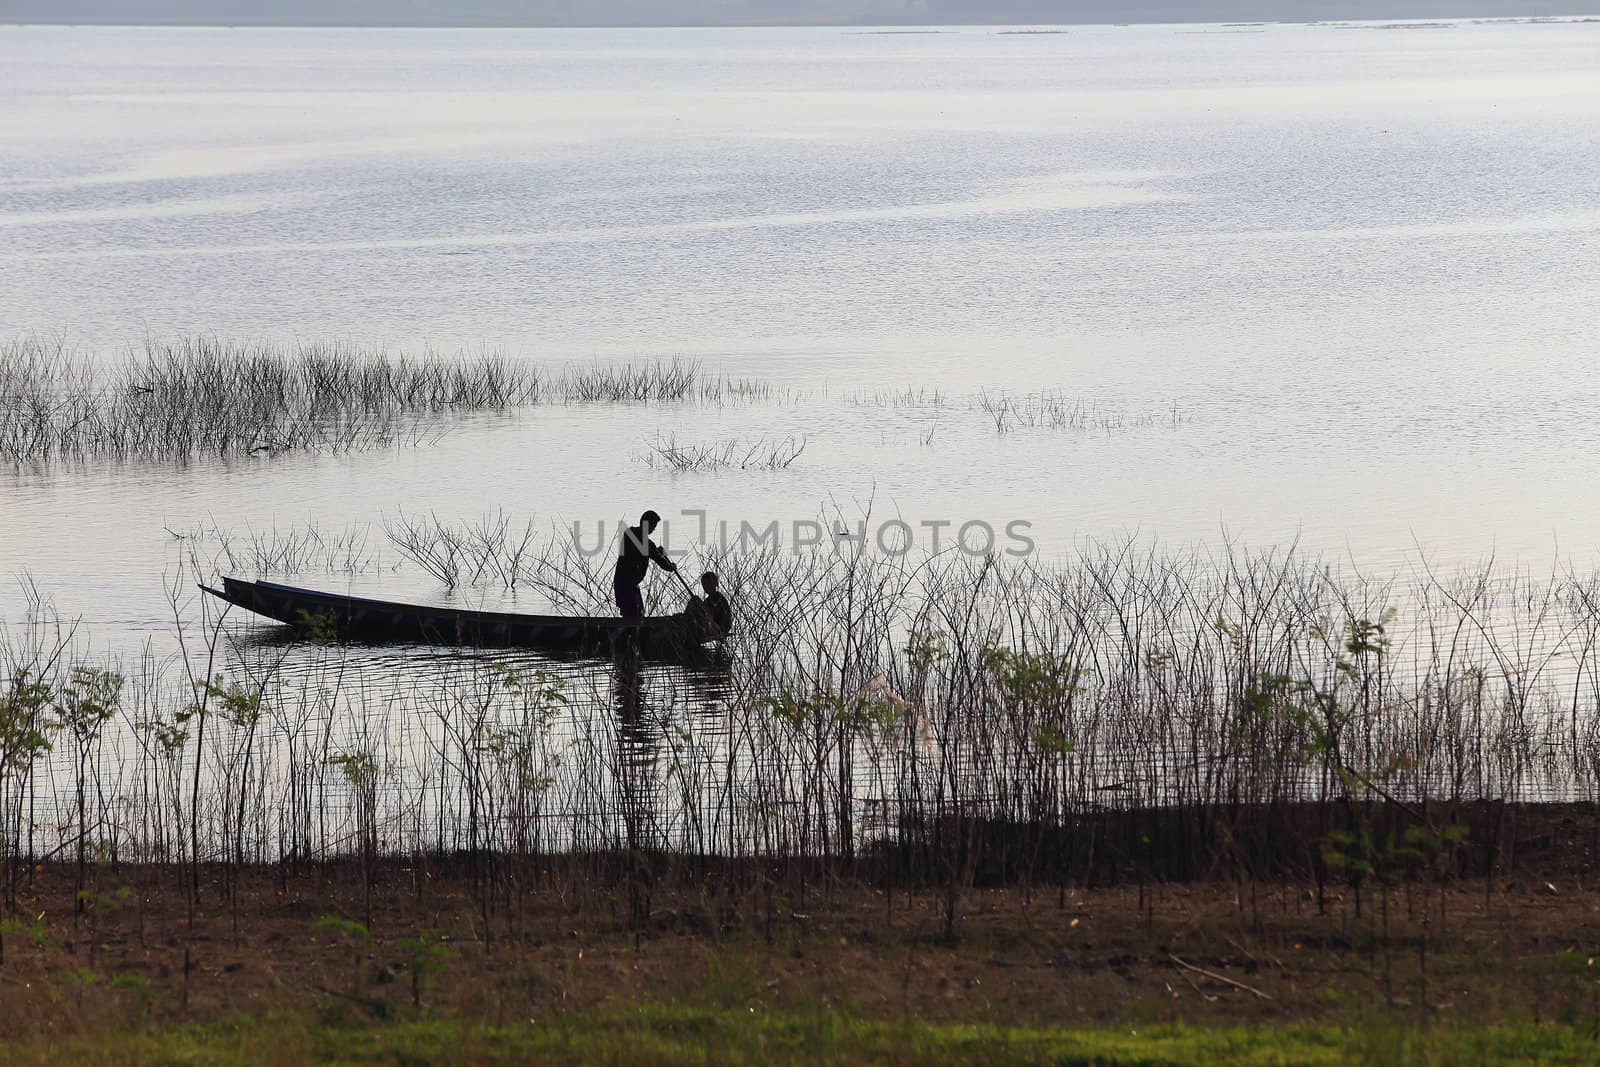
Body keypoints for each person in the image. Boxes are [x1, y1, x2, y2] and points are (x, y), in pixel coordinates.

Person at [613, 510, 677, 619]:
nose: (653, 529)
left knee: (633, 614)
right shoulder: (647, 544)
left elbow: (646, 552)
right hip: (628, 586)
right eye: (653, 526)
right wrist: (670, 565)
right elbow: (663, 564)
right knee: (635, 616)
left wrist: (658, 553)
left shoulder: (629, 533)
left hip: (622, 583)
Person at [684, 571, 733, 637]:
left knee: (695, 600)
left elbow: (727, 620)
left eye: (709, 583)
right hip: (706, 625)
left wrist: (720, 630)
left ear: (715, 583)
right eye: (704, 584)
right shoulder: (707, 601)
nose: (706, 587)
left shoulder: (720, 599)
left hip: (714, 628)